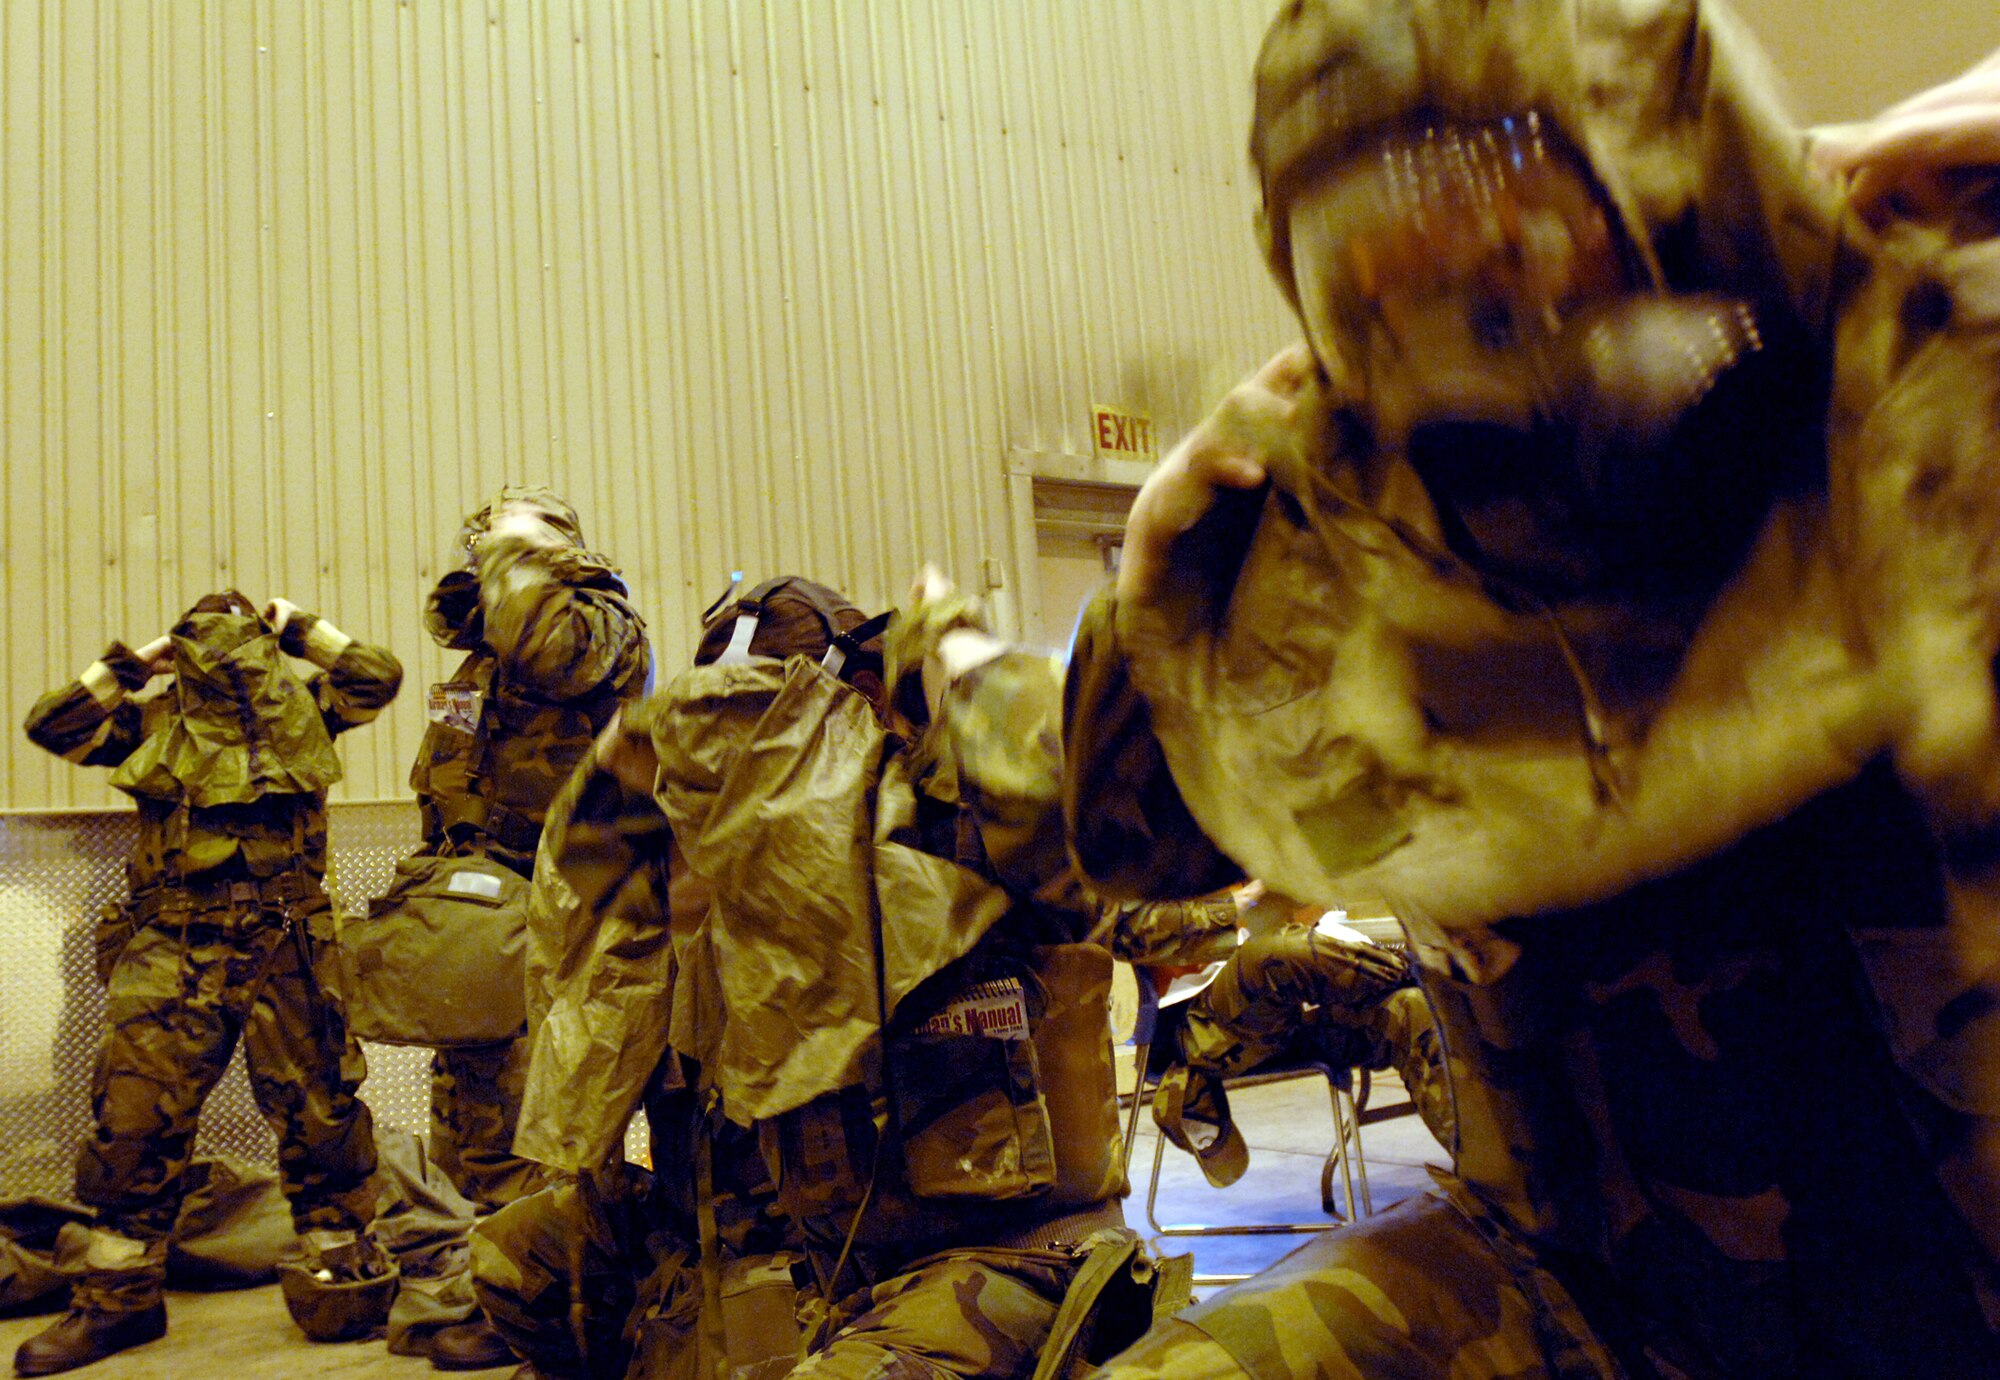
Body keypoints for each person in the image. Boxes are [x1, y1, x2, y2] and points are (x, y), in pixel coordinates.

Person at [1065, 0, 2000, 1374]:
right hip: (1602, 1307)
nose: (1452, 297)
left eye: (1502, 203)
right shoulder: (1347, 533)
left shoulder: (1908, 401)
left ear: (1656, 184)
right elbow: (1128, 837)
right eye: (1370, 257)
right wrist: (1153, 607)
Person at [473, 574, 1236, 1380]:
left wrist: (963, 653)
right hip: (804, 1255)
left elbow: (1084, 793)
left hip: (996, 1260)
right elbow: (585, 877)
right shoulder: (714, 904)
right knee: (516, 1261)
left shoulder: (958, 834)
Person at [15, 592, 403, 1375]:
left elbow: (376, 676)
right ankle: (119, 1300)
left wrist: (300, 630)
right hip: (175, 940)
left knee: (321, 1116)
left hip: (288, 938)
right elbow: (49, 724)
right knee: (134, 1124)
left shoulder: (302, 715)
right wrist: (132, 666)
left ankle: (345, 1286)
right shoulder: (153, 726)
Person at [404, 485, 651, 1371]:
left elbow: (549, 649)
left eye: (508, 539)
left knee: (538, 1122)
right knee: (471, 1117)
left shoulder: (599, 622)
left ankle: (565, 1311)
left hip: (561, 911)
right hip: (480, 912)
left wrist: (519, 552)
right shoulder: (482, 664)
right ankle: (502, 1281)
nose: (487, 552)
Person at [1150, 924, 1455, 1190]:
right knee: (1272, 956)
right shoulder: (1128, 871)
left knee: (1411, 1009)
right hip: (1191, 1027)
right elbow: (1140, 929)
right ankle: (1431, 971)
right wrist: (1240, 901)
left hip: (1288, 1015)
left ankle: (1487, 1176)